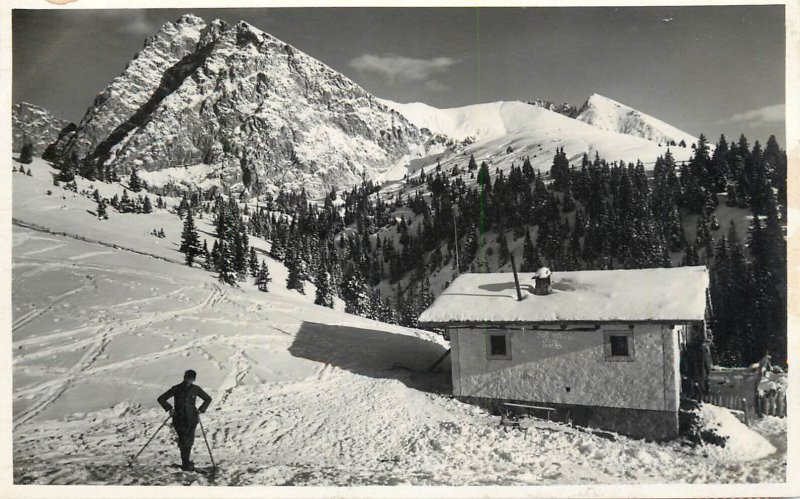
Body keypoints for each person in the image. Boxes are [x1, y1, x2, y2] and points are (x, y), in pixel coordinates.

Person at [157, 369, 212, 470]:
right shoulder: (176, 388)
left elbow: (208, 399)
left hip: (192, 419)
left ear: (193, 379)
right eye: (187, 378)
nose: (188, 381)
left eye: (191, 379)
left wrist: (201, 410)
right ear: (184, 377)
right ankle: (185, 463)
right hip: (179, 419)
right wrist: (170, 409)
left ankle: (186, 462)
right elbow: (161, 398)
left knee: (189, 441)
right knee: (183, 441)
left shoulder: (196, 389)